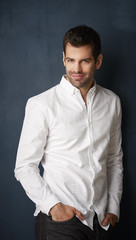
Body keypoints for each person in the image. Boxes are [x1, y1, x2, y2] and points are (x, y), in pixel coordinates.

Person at [15, 25, 123, 240]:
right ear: (64, 58)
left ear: (98, 61)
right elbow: (24, 167)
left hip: (101, 222)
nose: (77, 68)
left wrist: (113, 207)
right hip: (60, 222)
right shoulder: (42, 104)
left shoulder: (112, 102)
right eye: (71, 60)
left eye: (85, 60)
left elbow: (113, 159)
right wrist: (54, 207)